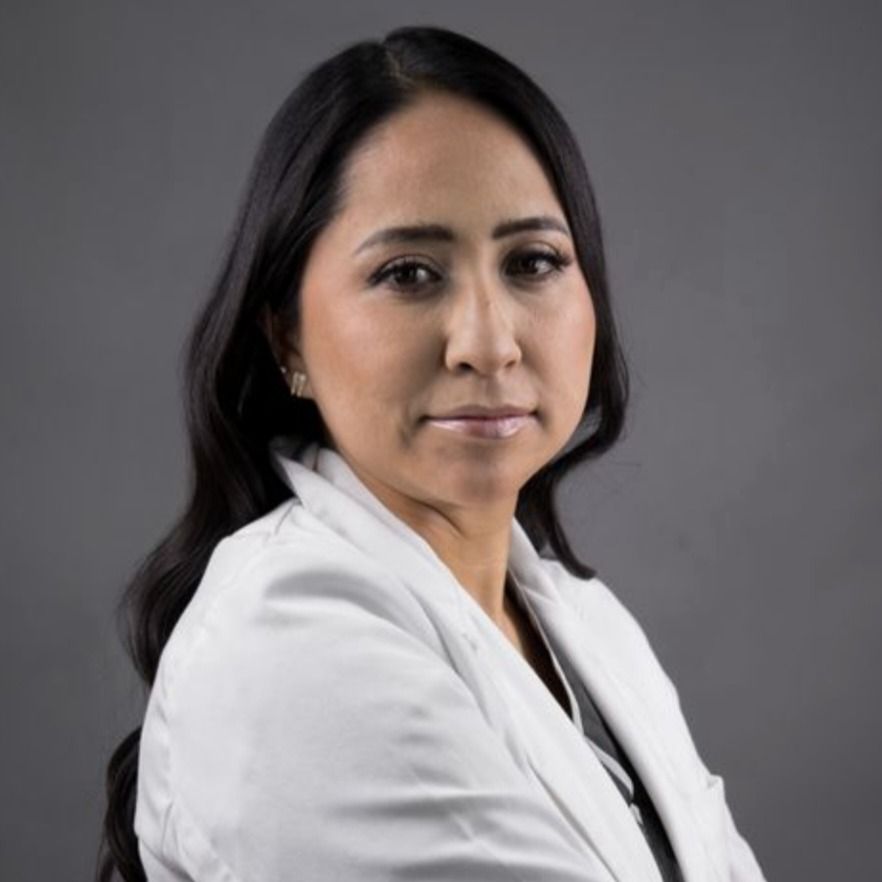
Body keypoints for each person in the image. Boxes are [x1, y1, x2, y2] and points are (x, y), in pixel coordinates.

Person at [97, 24, 768, 882]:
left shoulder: (588, 625)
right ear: (287, 336)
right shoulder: (283, 650)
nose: (488, 344)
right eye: (409, 273)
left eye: (533, 262)